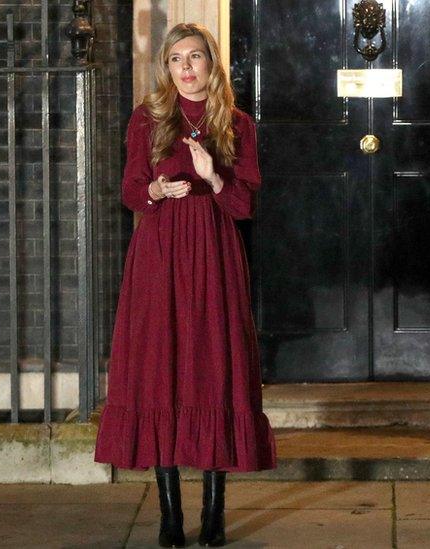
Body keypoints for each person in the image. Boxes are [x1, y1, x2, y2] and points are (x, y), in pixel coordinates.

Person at [94, 22, 276, 548]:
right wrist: (153, 188)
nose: (187, 68)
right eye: (177, 59)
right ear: (167, 68)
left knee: (211, 368)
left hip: (214, 253)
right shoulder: (147, 120)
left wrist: (214, 175)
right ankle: (170, 516)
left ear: (210, 64)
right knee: (160, 370)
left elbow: (244, 204)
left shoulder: (236, 123)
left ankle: (214, 511)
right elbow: (129, 190)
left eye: (195, 57)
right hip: (159, 255)